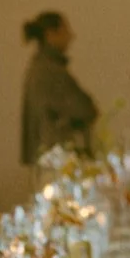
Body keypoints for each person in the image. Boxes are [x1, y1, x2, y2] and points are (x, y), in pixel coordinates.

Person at [20, 12, 99, 165]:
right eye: (65, 31)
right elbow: (83, 109)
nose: (71, 36)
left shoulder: (39, 68)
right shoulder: (50, 71)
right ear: (51, 34)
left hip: (46, 155)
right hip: (56, 158)